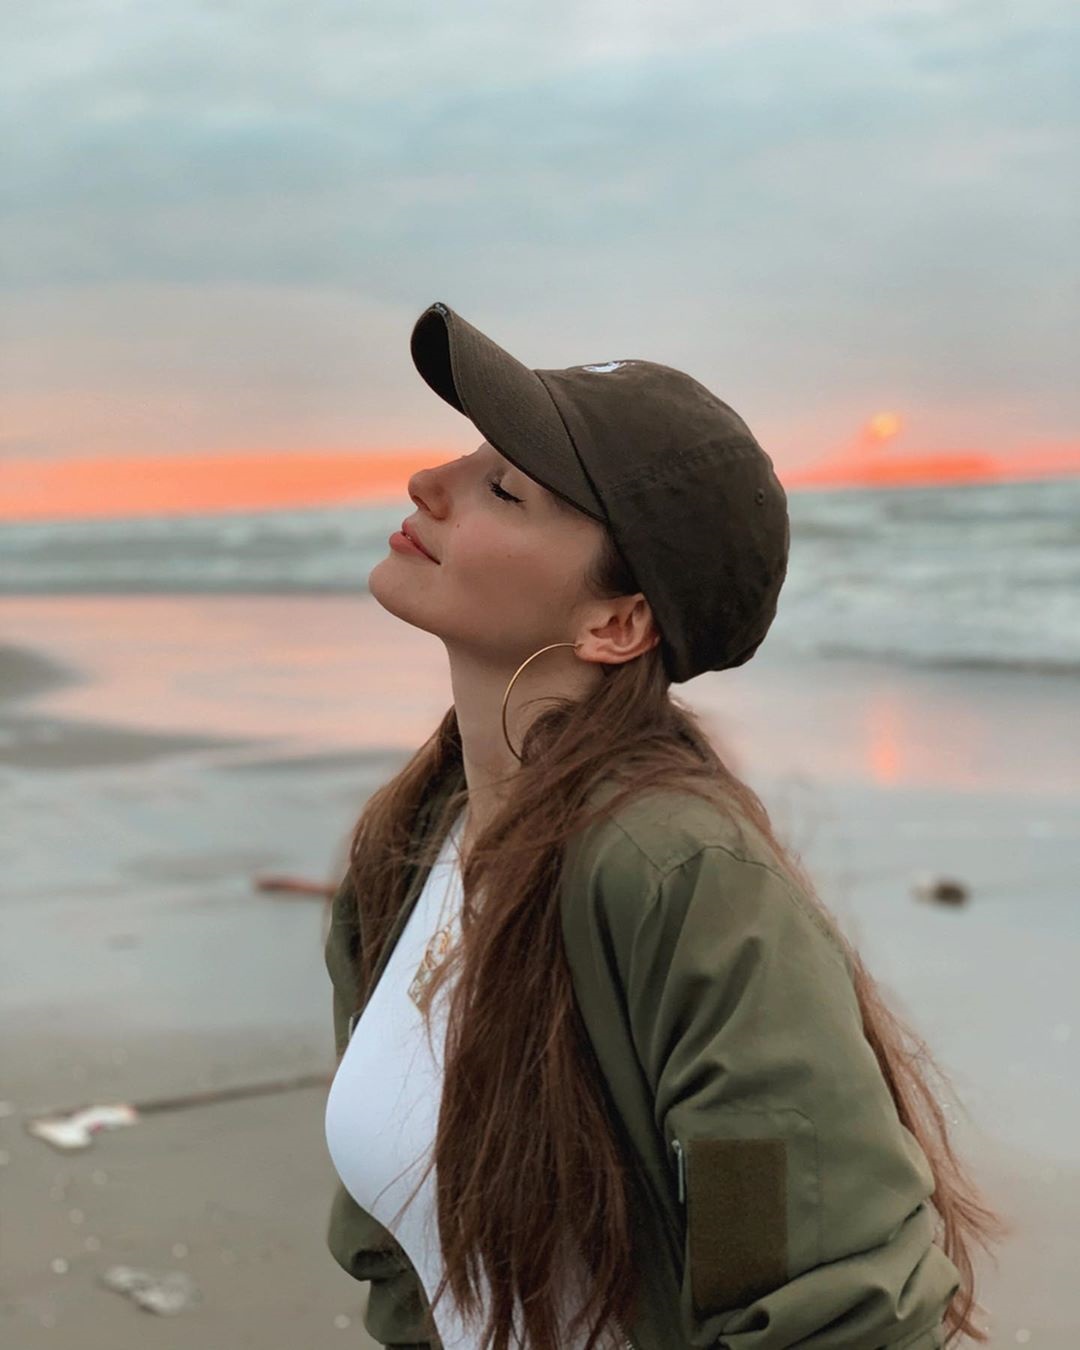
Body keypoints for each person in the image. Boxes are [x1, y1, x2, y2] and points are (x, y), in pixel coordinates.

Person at [322, 301, 1008, 1350]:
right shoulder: (408, 847)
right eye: (468, 456)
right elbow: (399, 1260)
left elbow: (835, 1308)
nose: (430, 482)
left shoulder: (680, 879)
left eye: (503, 487)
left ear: (617, 621)